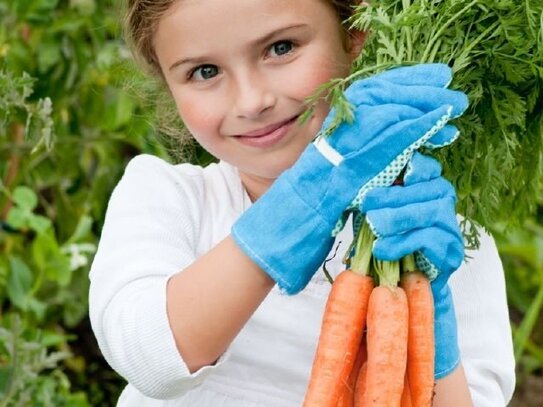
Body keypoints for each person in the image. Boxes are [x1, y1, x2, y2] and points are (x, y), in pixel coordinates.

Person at [88, 0, 516, 405]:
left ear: (356, 35)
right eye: (204, 71)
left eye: (281, 48)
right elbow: (149, 356)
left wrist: (428, 313)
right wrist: (310, 194)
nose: (252, 101)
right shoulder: (168, 197)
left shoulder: (446, 245)